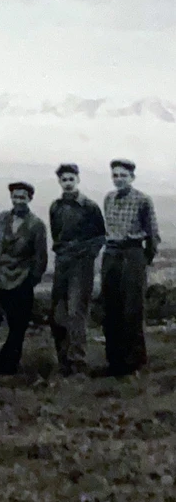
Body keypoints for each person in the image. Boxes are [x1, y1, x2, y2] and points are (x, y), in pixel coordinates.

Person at [0, 182, 48, 375]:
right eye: (15, 197)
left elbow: (40, 256)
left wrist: (30, 280)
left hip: (19, 280)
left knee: (17, 327)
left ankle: (7, 367)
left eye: (22, 197)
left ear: (30, 199)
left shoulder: (36, 225)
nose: (18, 201)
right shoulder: (1, 218)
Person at [101, 159, 160, 376]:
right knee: (111, 307)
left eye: (123, 175)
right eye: (115, 175)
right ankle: (114, 362)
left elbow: (153, 235)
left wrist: (144, 259)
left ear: (132, 177)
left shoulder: (143, 200)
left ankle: (134, 362)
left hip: (133, 253)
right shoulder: (109, 198)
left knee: (132, 309)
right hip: (112, 254)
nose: (119, 179)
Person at [48, 164, 106, 377]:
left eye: (71, 179)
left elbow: (100, 237)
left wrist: (85, 255)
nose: (68, 183)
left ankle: (78, 363)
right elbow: (56, 235)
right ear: (60, 182)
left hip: (81, 267)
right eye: (64, 180)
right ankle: (64, 363)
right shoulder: (55, 207)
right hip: (62, 263)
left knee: (76, 313)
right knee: (58, 314)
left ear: (78, 180)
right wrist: (64, 253)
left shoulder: (89, 207)